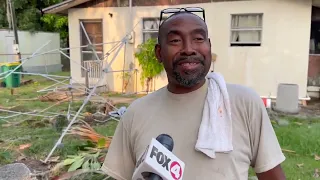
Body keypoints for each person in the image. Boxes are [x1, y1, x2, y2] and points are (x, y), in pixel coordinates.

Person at [101, 9, 286, 180]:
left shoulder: (243, 103)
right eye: (175, 40)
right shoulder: (136, 114)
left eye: (198, 38)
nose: (189, 49)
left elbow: (272, 174)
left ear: (209, 46)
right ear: (159, 53)